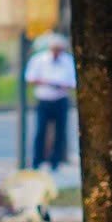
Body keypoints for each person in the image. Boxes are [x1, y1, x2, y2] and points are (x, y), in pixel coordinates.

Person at [26, 33, 76, 172]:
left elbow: (72, 82)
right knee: (40, 130)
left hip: (60, 99)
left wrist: (61, 85)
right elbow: (31, 78)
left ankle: (56, 161)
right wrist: (48, 83)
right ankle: (37, 160)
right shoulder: (39, 60)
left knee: (60, 131)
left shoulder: (67, 61)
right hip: (44, 99)